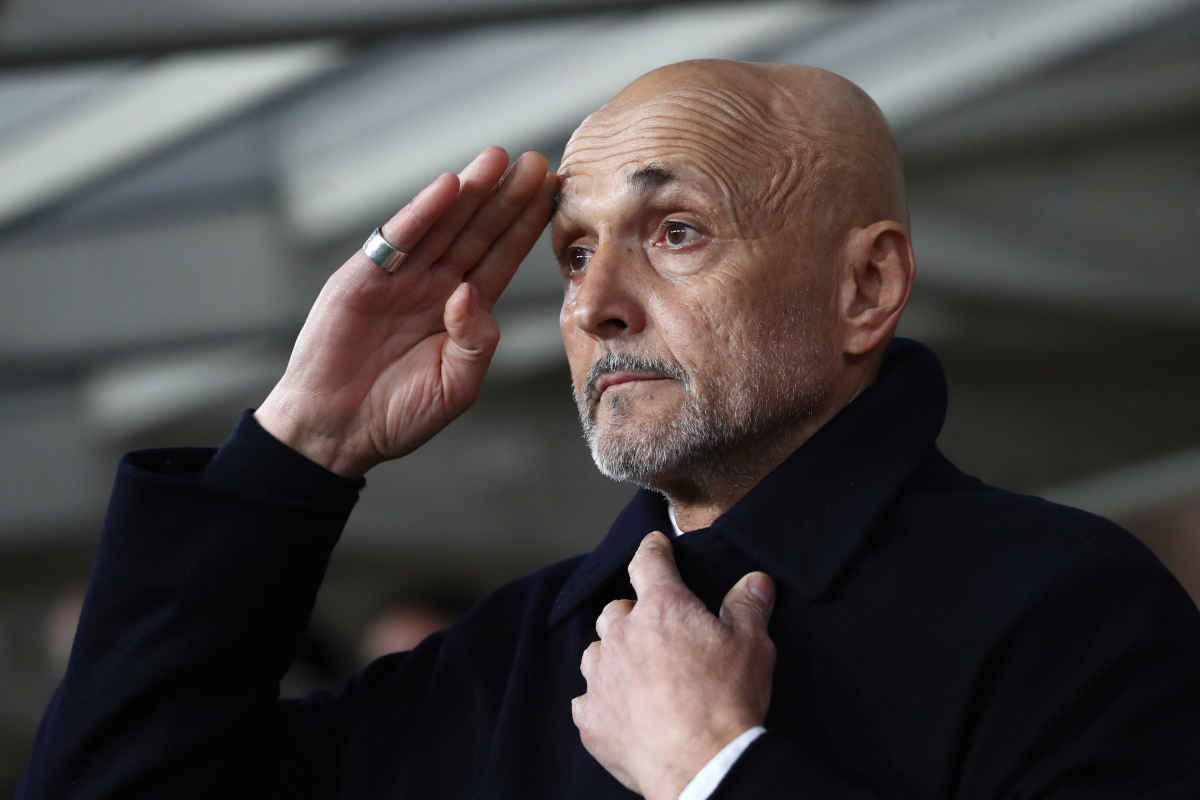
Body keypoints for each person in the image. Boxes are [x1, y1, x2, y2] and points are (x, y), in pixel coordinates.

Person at [18, 60, 1200, 799]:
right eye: (576, 249)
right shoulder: (505, 658)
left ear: (864, 288)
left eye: (675, 229)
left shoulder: (1067, 609)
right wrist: (297, 447)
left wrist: (720, 773)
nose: (590, 303)